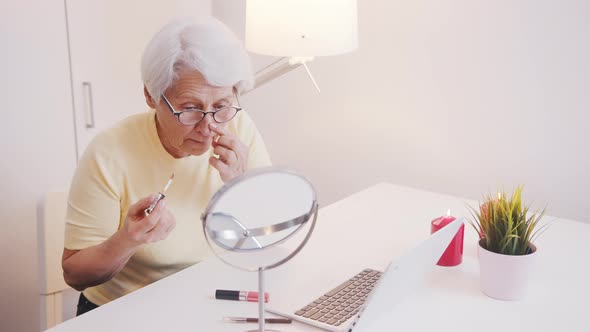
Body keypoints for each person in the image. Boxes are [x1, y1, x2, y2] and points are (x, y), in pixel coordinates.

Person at [61, 17, 271, 316]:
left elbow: (272, 236)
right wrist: (127, 240)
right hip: (125, 313)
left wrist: (239, 187)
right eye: (190, 109)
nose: (209, 125)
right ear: (150, 96)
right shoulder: (109, 153)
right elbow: (75, 274)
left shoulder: (238, 127)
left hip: (211, 301)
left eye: (221, 105)